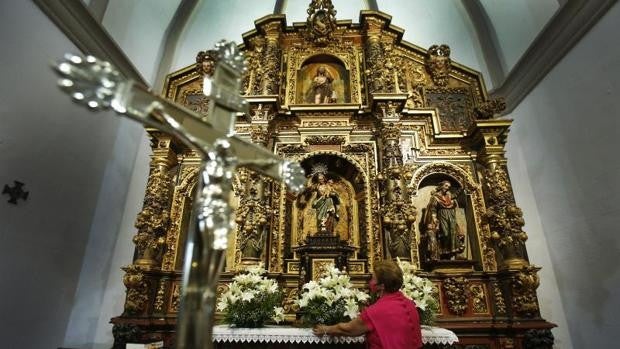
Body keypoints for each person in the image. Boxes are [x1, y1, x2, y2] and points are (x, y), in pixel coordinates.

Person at [313, 260, 422, 349]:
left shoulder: (377, 310)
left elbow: (348, 328)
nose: (370, 282)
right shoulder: (410, 304)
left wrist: (326, 329)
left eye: (373, 278)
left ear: (382, 286)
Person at [422, 180, 465, 260]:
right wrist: (434, 219)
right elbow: (433, 209)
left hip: (451, 216)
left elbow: (456, 194)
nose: (447, 188)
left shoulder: (449, 196)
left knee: (453, 233)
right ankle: (443, 251)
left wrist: (462, 188)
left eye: (449, 187)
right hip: (442, 216)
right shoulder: (435, 197)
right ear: (441, 186)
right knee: (445, 234)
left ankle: (451, 252)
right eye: (446, 186)